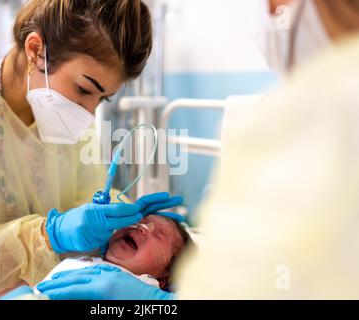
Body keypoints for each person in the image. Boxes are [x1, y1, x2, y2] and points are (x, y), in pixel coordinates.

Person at [36, 0, 359, 299]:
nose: (141, 226)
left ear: (165, 277)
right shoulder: (82, 261)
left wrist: (153, 301)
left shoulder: (316, 120)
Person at [0, 0, 184, 299]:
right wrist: (47, 236)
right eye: (83, 89)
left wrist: (124, 217)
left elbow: (88, 202)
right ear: (36, 49)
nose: (89, 114)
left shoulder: (70, 124)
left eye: (102, 99)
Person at [0, 213, 193, 299]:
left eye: (159, 235)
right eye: (141, 221)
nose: (142, 228)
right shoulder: (86, 255)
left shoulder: (143, 288)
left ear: (163, 278)